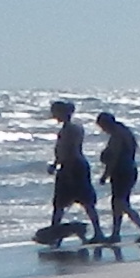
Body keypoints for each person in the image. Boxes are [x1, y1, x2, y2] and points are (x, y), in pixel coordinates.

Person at [93, 107, 140, 245]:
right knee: (117, 204)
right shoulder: (124, 132)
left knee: (121, 203)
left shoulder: (117, 136)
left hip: (122, 171)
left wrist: (105, 175)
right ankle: (116, 233)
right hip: (128, 170)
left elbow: (114, 158)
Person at [42, 102, 99, 245]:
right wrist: (56, 164)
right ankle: (96, 231)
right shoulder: (71, 128)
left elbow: (70, 150)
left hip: (73, 166)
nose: (54, 115)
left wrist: (65, 169)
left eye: (55, 112)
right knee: (83, 202)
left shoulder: (70, 130)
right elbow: (64, 151)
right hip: (74, 165)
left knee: (62, 203)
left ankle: (54, 235)